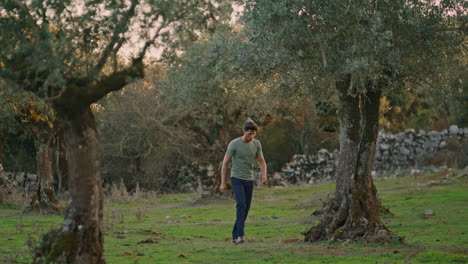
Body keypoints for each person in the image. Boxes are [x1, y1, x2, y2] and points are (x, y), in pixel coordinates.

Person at [219, 120, 267, 244]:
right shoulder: (234, 144)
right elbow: (225, 163)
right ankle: (240, 236)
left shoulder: (256, 144)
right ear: (244, 131)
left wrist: (264, 175)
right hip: (236, 178)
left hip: (249, 180)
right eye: (249, 134)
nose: (251, 137)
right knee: (241, 204)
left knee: (246, 208)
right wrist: (223, 182)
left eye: (254, 134)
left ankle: (235, 235)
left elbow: (262, 161)